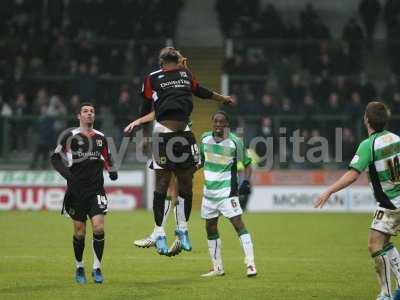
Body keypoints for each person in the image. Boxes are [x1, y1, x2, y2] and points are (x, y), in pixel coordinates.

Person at [125, 47, 233, 255]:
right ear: (161, 59)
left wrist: (222, 99)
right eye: (169, 49)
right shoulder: (153, 78)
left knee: (186, 183)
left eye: (174, 49)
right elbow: (145, 107)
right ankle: (158, 232)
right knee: (162, 184)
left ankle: (182, 229)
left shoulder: (186, 74)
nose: (172, 49)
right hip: (163, 135)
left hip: (185, 134)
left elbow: (201, 91)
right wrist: (144, 136)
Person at [315, 102, 400, 300]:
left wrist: (328, 191)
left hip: (390, 204)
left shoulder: (368, 145)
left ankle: (386, 294)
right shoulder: (396, 139)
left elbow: (353, 175)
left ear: (366, 120)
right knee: (384, 242)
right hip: (396, 200)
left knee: (374, 245)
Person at [50, 103, 118, 284]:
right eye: (86, 112)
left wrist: (111, 169)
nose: (89, 114)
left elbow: (107, 156)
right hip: (76, 191)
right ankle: (79, 266)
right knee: (79, 233)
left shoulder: (102, 137)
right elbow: (55, 158)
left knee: (99, 227)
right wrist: (68, 175)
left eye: (92, 112)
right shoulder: (69, 136)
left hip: (96, 189)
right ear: (78, 116)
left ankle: (97, 267)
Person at [198, 111, 256, 277]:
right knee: (210, 227)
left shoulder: (235, 141)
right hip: (209, 193)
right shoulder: (204, 138)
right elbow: (201, 161)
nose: (218, 125)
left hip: (227, 193)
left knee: (238, 224)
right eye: (215, 121)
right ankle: (217, 268)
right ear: (212, 123)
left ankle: (251, 264)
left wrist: (246, 181)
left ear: (226, 124)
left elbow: (247, 164)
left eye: (221, 122)